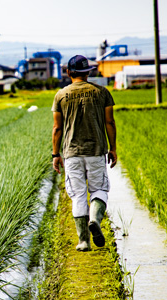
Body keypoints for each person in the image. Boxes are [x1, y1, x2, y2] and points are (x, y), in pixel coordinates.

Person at [51, 55, 117, 252]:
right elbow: (110, 122)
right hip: (96, 151)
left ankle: (83, 241)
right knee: (99, 190)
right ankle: (95, 219)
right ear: (88, 72)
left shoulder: (60, 95)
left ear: (69, 73)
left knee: (78, 195)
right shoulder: (101, 92)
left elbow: (57, 128)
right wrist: (112, 148)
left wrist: (55, 154)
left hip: (72, 153)